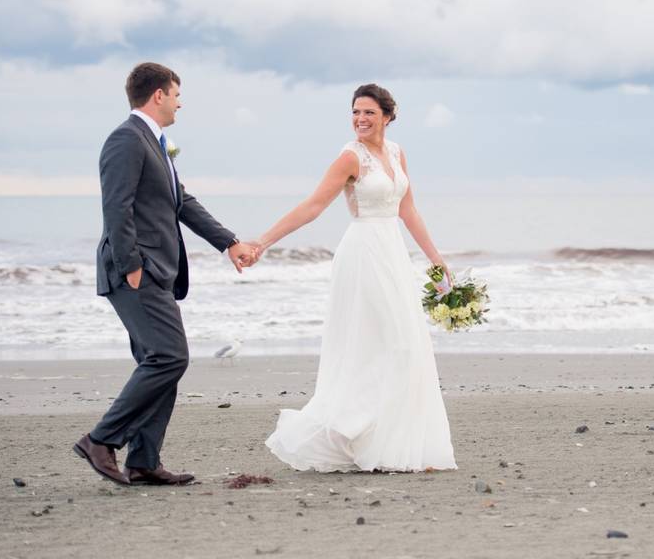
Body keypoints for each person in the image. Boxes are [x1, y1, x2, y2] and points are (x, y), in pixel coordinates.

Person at [73, 62, 258, 486]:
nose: (180, 102)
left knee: (161, 362)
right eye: (176, 94)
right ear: (158, 95)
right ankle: (101, 440)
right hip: (136, 272)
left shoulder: (156, 142)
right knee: (169, 357)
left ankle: (143, 461)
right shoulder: (126, 139)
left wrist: (229, 242)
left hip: (158, 271)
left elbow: (181, 202)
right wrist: (132, 267)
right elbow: (115, 207)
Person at [261, 84, 457, 472]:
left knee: (403, 345)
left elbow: (409, 210)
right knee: (385, 344)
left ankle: (385, 442)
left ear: (387, 115)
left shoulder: (397, 152)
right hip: (363, 253)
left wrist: (436, 261)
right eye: (355, 113)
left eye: (368, 113)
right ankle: (352, 431)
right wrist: (263, 241)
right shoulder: (350, 158)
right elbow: (313, 206)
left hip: (393, 252)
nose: (360, 120)